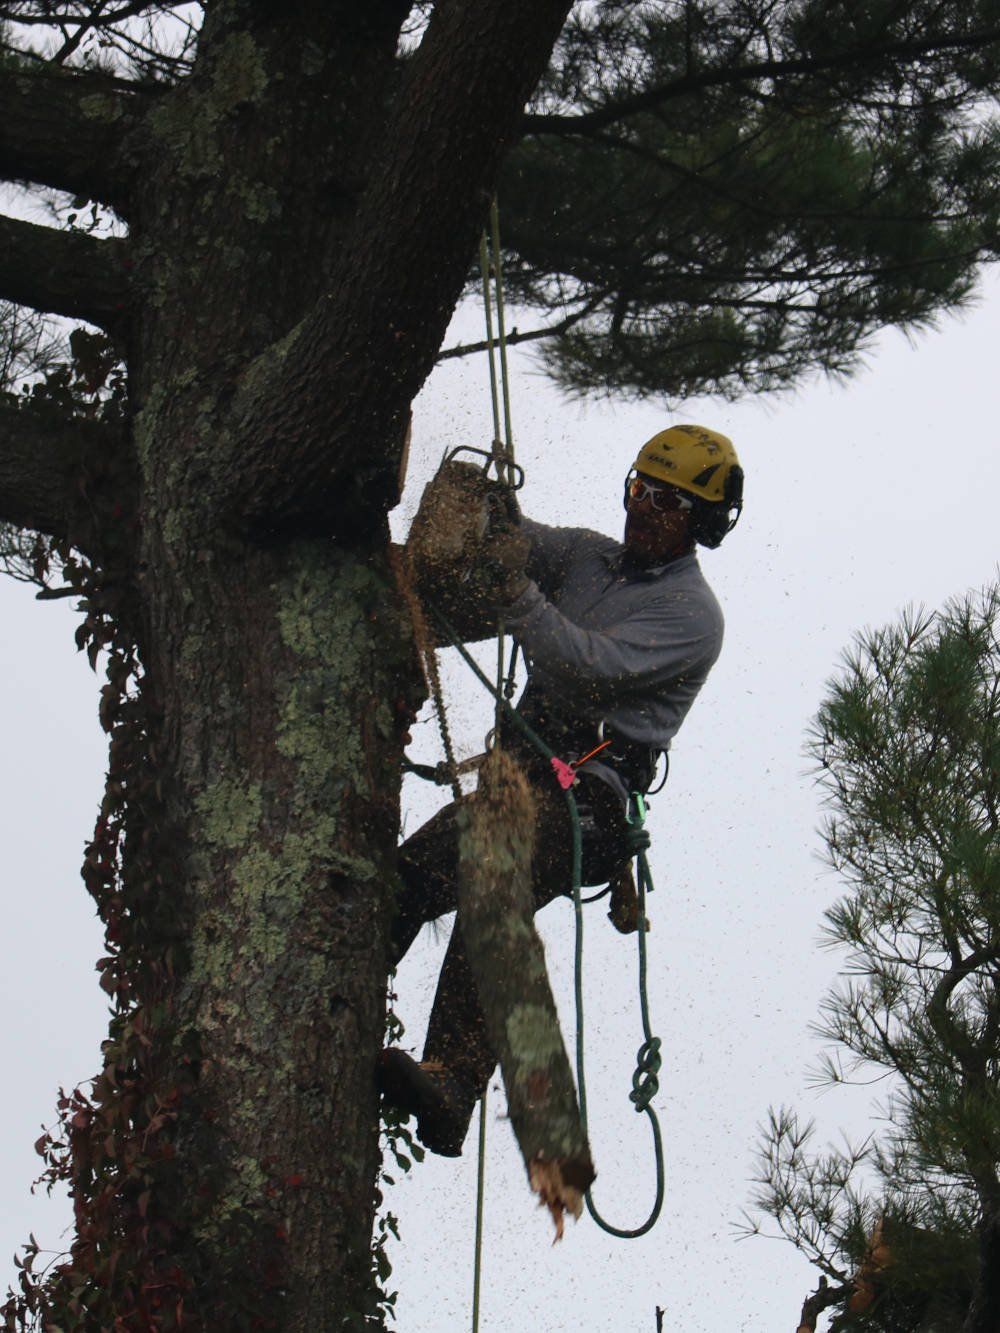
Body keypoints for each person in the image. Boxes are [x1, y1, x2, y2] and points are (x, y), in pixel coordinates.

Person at [379, 424, 744, 1155]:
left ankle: (452, 1079)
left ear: (700, 521)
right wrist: (486, 515)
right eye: (641, 489)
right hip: (522, 782)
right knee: (412, 874)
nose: (643, 509)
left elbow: (586, 666)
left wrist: (516, 593)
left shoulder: (692, 617)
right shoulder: (586, 554)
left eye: (666, 501)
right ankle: (347, 976)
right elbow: (523, 541)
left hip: (590, 804)